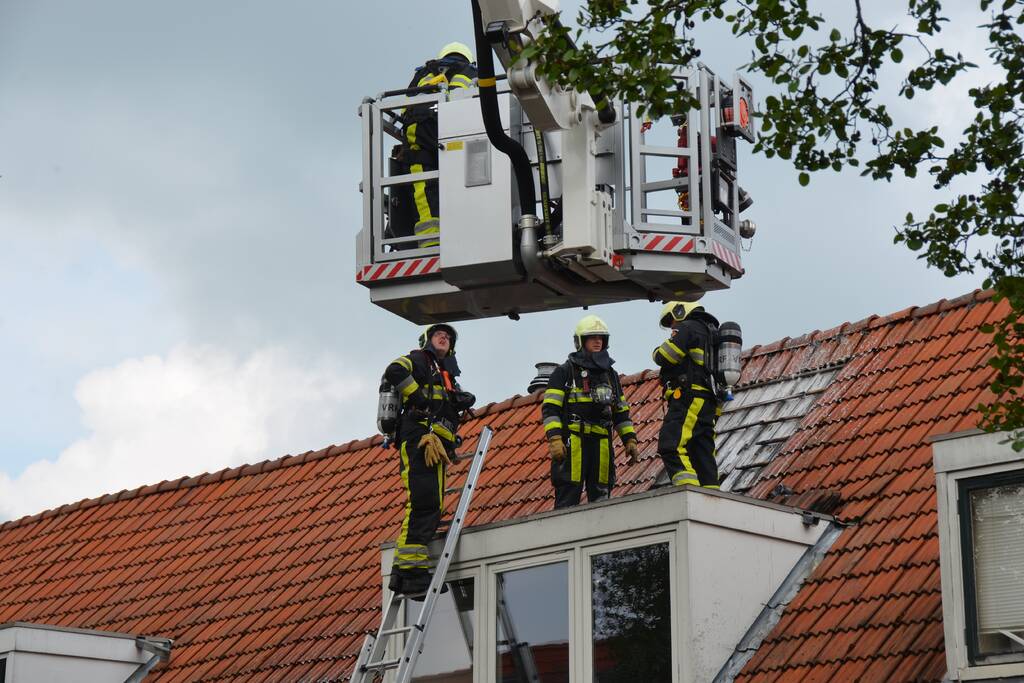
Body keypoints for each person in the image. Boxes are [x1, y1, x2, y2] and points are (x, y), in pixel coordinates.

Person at [384, 323, 475, 596]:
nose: (444, 338)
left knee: (425, 504)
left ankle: (401, 575)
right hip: (419, 440)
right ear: (426, 340)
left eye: (448, 337)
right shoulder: (419, 360)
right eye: (438, 334)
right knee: (425, 503)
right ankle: (414, 575)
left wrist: (457, 400)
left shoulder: (445, 375)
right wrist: (417, 396)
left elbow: (441, 408)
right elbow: (395, 370)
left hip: (435, 446)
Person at [541, 315, 639, 509]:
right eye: (592, 337)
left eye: (601, 338)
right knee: (568, 495)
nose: (597, 341)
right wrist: (554, 439)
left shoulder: (610, 375)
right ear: (580, 341)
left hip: (602, 442)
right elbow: (550, 408)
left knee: (602, 498)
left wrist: (630, 439)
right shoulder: (565, 372)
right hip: (574, 441)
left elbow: (620, 412)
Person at [394, 42, 478, 248]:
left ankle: (431, 243)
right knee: (462, 182)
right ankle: (464, 235)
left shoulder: (423, 73)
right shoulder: (472, 71)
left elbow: (406, 108)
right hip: (455, 130)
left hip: (419, 134)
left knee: (424, 187)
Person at [653, 301, 723, 489]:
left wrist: (655, 352)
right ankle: (710, 495)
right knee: (701, 451)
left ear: (680, 310)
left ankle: (687, 491)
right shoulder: (712, 332)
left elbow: (665, 356)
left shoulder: (688, 327)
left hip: (689, 397)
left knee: (670, 444)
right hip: (710, 402)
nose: (672, 327)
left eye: (671, 321)